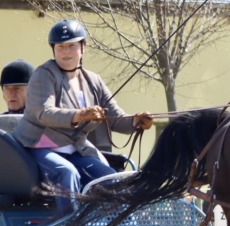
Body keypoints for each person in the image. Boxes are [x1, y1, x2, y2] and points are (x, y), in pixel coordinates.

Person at [12, 20, 152, 213]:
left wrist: (136, 121)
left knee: (110, 179)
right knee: (66, 172)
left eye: (71, 46)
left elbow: (115, 117)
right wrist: (80, 115)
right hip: (38, 147)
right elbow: (43, 113)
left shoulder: (93, 81)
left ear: (83, 47)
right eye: (60, 47)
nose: (66, 52)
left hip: (75, 149)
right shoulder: (43, 75)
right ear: (53, 50)